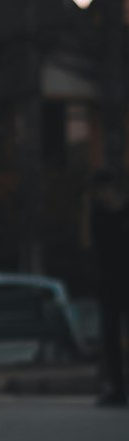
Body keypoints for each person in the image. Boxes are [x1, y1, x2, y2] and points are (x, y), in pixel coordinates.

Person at [86, 170, 129, 407]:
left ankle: (118, 388)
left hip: (121, 281)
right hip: (110, 283)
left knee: (114, 338)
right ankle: (117, 388)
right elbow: (96, 247)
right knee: (111, 340)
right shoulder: (98, 214)